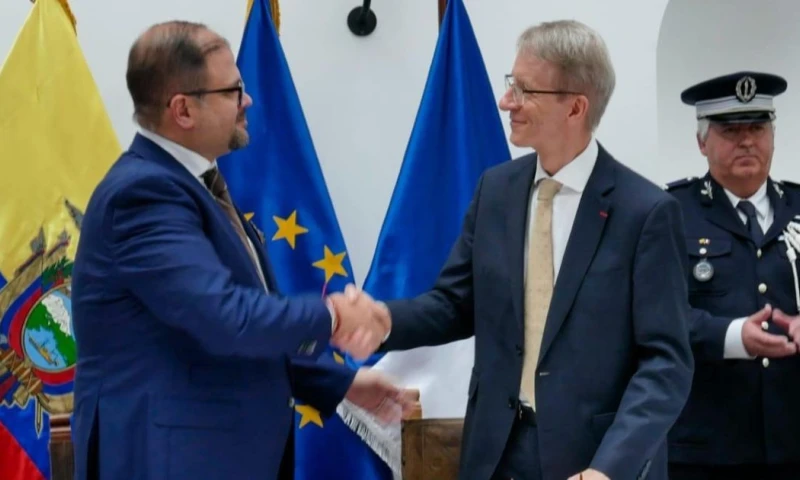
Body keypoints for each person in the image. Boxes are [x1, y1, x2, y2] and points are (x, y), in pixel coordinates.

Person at [348, 19, 694, 480]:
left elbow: (665, 362)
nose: (506, 101)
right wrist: (385, 321)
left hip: (595, 459)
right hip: (497, 454)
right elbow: (455, 303)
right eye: (511, 84)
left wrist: (608, 469)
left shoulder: (646, 212)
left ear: (575, 108)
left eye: (525, 90)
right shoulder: (497, 190)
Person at [70, 21, 406, 480]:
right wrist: (334, 317)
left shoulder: (191, 185)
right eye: (233, 90)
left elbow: (213, 333)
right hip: (169, 461)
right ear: (183, 109)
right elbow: (226, 317)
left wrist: (340, 382)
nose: (247, 101)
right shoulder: (143, 195)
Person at [665, 71, 800, 479]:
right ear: (702, 142)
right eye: (730, 130)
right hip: (708, 447)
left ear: (773, 137)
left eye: (757, 128)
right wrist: (732, 336)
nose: (746, 141)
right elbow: (656, 314)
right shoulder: (670, 213)